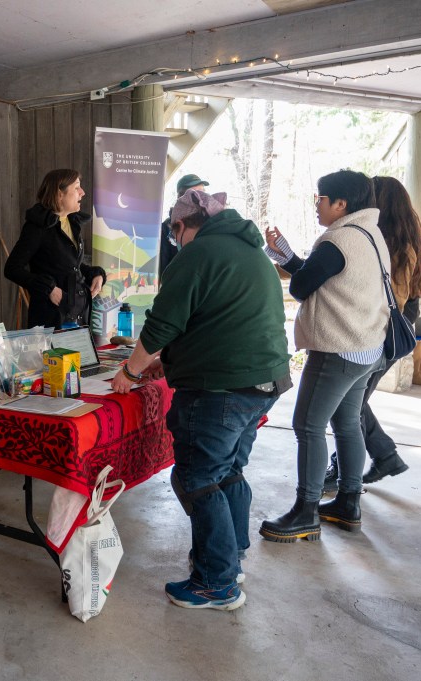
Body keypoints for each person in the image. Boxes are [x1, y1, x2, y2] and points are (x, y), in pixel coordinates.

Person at [111, 189, 290, 611]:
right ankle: (232, 556)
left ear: (181, 226)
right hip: (263, 382)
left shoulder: (197, 254)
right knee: (228, 471)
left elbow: (163, 322)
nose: (175, 240)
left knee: (196, 479)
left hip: (221, 388)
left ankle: (216, 582)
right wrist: (169, 365)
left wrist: (131, 371)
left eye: (175, 231)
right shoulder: (249, 251)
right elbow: (219, 322)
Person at [259, 170, 389, 542]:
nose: (316, 205)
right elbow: (319, 276)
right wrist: (284, 252)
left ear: (340, 204)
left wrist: (288, 261)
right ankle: (348, 502)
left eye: (320, 198)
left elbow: (301, 287)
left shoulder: (337, 240)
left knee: (308, 425)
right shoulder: (370, 233)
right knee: (347, 422)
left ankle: (305, 510)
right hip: (366, 346)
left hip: (338, 348)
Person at [322, 176, 421, 490]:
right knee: (352, 402)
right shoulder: (399, 240)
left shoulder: (389, 245)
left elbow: (386, 296)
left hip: (385, 331)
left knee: (347, 404)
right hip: (394, 326)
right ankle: (383, 456)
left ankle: (347, 471)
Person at [4, 169, 106, 328]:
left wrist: (95, 275)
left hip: (79, 317)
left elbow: (71, 266)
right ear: (60, 194)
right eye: (77, 187)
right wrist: (48, 288)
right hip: (52, 320)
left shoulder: (72, 222)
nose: (83, 192)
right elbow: (12, 268)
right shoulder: (37, 227)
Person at [158, 173, 209, 275]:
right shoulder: (166, 229)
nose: (201, 198)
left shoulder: (212, 223)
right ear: (181, 198)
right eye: (195, 194)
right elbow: (163, 268)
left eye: (203, 193)